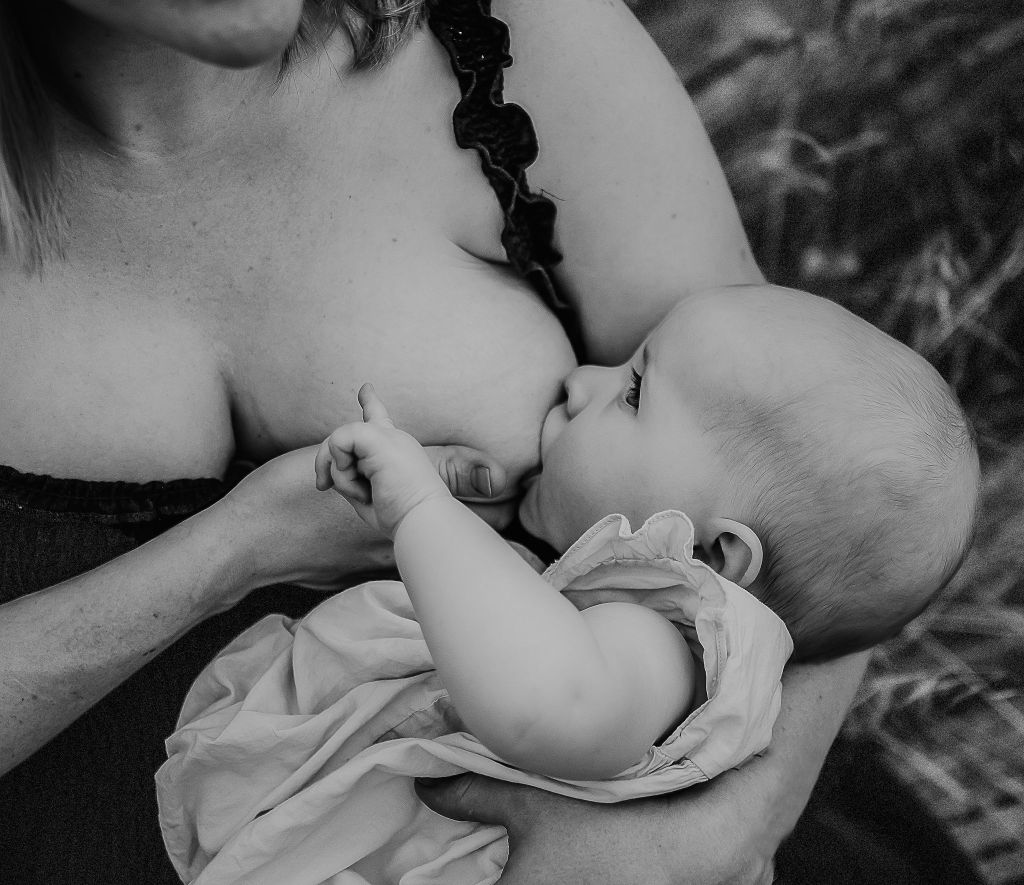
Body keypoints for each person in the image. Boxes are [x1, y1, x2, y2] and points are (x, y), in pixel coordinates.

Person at [0, 0, 878, 881]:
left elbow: (832, 489)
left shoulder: (514, 33)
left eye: (631, 389)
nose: (587, 381)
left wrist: (709, 840)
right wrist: (234, 550)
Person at [156, 284, 978, 883]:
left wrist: (421, 510)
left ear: (718, 557)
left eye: (632, 390)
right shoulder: (636, 620)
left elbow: (543, 701)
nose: (583, 379)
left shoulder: (665, 647)